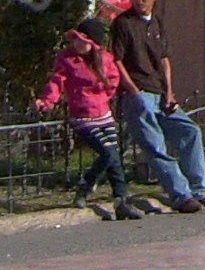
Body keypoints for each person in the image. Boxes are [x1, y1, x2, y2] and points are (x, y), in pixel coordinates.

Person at [110, 0, 205, 214]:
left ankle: (199, 191)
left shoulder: (156, 22)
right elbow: (117, 60)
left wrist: (169, 92)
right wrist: (133, 90)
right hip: (138, 94)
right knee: (156, 146)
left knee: (190, 131)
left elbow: (164, 59)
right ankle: (181, 196)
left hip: (160, 93)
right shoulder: (123, 23)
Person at [33, 19, 140, 219]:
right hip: (83, 117)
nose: (77, 44)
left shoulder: (105, 59)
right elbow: (57, 83)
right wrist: (46, 102)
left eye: (83, 41)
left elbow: (113, 80)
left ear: (94, 44)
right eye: (75, 39)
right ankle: (86, 185)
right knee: (107, 153)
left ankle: (121, 200)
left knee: (115, 158)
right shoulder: (67, 59)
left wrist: (103, 96)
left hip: (103, 114)